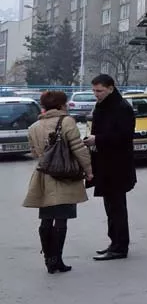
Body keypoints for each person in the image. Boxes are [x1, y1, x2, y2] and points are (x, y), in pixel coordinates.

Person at [23, 91, 94, 274]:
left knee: (46, 219)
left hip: (44, 177)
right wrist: (88, 170)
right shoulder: (67, 122)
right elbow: (78, 149)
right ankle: (58, 259)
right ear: (62, 105)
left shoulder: (34, 127)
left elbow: (34, 153)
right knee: (61, 220)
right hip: (66, 175)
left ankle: (49, 259)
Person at [83, 74, 137, 261]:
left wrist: (97, 139)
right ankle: (114, 242)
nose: (96, 94)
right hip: (105, 164)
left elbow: (124, 136)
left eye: (99, 91)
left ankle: (120, 247)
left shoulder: (122, 108)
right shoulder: (103, 106)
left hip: (117, 166)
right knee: (110, 207)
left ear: (111, 88)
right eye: (94, 91)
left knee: (117, 208)